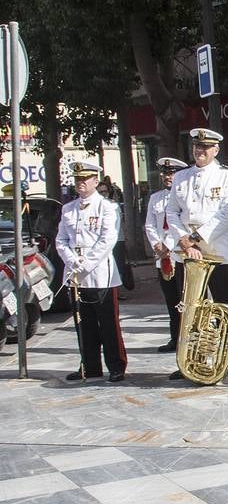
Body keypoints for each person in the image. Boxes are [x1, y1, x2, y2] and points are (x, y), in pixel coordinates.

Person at [166, 128, 228, 383]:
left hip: (218, 251)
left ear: (215, 150)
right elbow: (172, 212)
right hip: (187, 254)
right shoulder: (181, 177)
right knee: (189, 309)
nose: (200, 152)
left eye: (205, 148)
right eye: (197, 147)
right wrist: (182, 239)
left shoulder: (227, 177)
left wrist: (195, 239)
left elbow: (227, 213)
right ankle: (189, 361)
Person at [56, 161, 127, 382]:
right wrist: (71, 259)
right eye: (77, 180)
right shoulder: (68, 208)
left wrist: (85, 263)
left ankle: (116, 365)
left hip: (100, 273)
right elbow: (61, 239)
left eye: (85, 179)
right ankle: (89, 365)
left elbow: (108, 240)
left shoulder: (107, 207)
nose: (80, 183)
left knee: (108, 323)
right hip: (75, 273)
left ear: (96, 181)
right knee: (82, 323)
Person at [143, 157, 188, 353]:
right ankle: (174, 337)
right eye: (164, 173)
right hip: (162, 257)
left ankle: (188, 338)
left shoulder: (185, 195)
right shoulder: (156, 198)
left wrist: (169, 245)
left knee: (184, 300)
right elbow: (150, 224)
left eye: (171, 173)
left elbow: (183, 225)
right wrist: (156, 245)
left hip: (180, 253)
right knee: (171, 300)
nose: (167, 177)